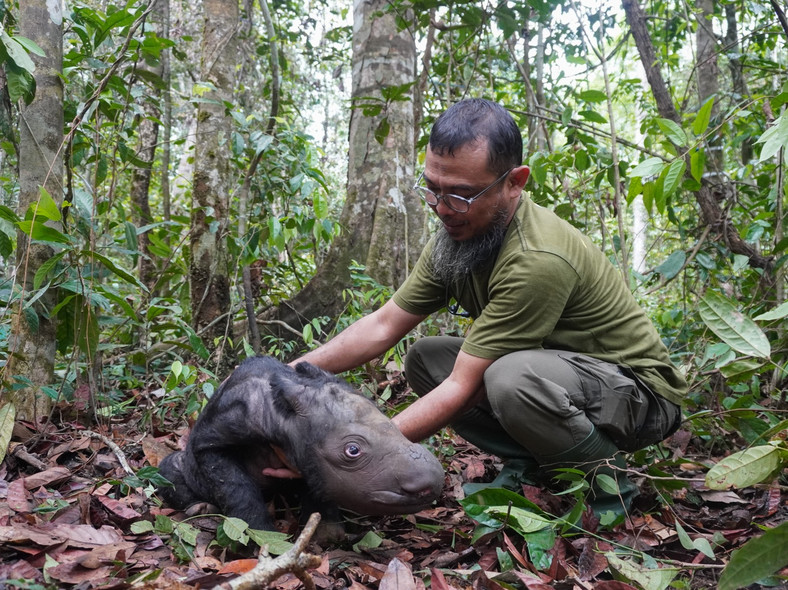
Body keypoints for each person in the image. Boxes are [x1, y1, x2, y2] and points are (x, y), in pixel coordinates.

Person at [272, 98, 687, 515]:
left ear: (515, 182)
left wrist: (356, 456)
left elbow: (461, 386)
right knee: (425, 359)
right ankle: (532, 462)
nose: (441, 208)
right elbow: (383, 326)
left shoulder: (537, 259)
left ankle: (607, 487)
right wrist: (282, 376)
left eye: (461, 195)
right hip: (562, 376)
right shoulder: (459, 234)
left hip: (639, 395)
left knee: (510, 377)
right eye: (433, 189)